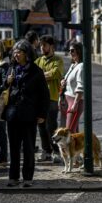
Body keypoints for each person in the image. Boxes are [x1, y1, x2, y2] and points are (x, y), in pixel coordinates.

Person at [2, 40, 50, 187]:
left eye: (20, 52)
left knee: (28, 148)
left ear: (27, 54)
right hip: (12, 114)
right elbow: (3, 88)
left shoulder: (36, 71)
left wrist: (42, 114)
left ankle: (28, 178)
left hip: (29, 115)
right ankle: (13, 177)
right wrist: (7, 82)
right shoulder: (12, 69)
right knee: (14, 148)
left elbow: (44, 95)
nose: (16, 55)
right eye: (15, 52)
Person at [35, 35, 64, 163]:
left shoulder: (58, 60)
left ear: (51, 46)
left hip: (52, 97)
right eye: (41, 45)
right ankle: (45, 150)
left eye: (44, 45)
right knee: (41, 126)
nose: (42, 47)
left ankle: (56, 151)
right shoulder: (38, 61)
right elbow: (33, 74)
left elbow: (56, 73)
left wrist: (40, 75)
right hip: (39, 99)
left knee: (51, 126)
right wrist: (45, 75)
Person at [60, 41, 84, 134]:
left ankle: (72, 148)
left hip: (74, 101)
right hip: (67, 100)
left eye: (72, 50)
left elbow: (80, 87)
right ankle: (79, 148)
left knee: (69, 131)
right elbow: (68, 79)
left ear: (79, 51)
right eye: (69, 50)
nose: (70, 53)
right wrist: (64, 81)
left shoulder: (81, 66)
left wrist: (75, 103)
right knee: (74, 131)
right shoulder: (73, 65)